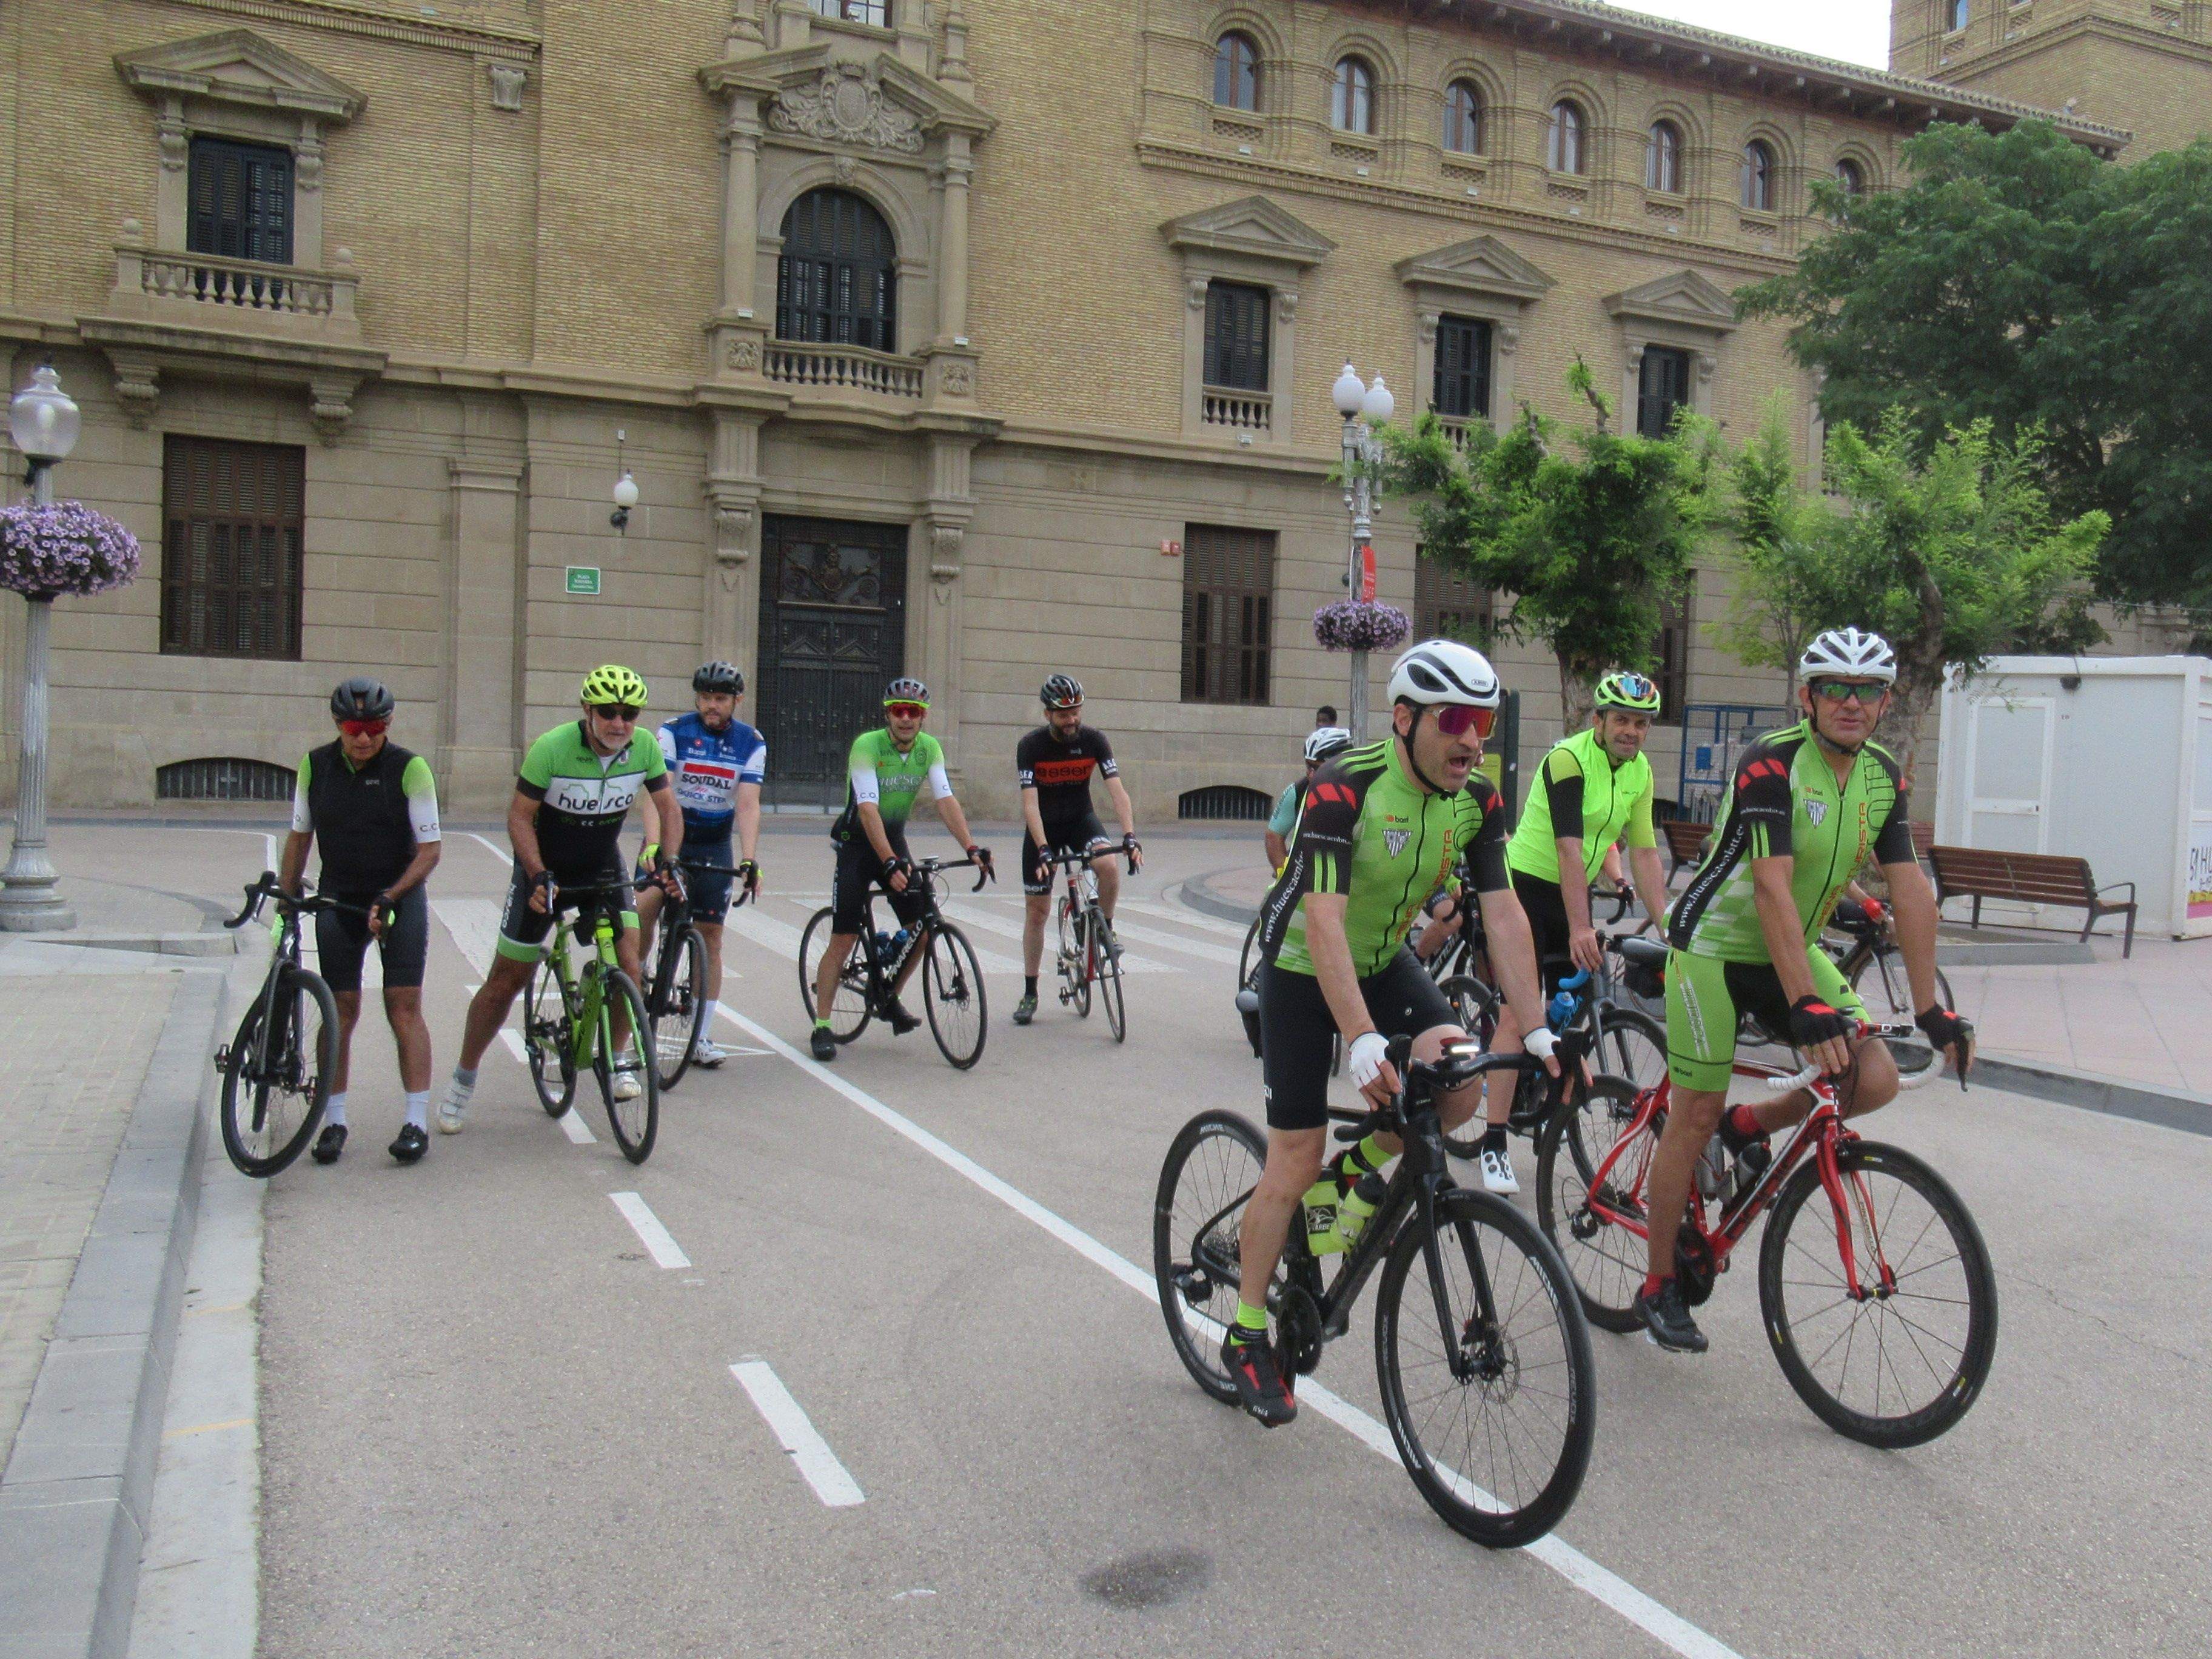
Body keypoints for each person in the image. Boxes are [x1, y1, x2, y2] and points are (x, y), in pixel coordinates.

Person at [1224, 640, 1558, 1426]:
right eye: (1455, 721)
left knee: (1462, 1083)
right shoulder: (1346, 788)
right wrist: (1365, 1038)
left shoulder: (1477, 798)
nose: (1473, 740)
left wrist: (1538, 1032)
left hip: (1381, 958)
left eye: (1483, 722)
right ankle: (1244, 1334)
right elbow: (1323, 916)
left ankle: (1347, 1188)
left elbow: (1504, 912)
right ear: (1404, 719)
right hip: (1305, 964)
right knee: (1296, 1154)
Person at [1644, 628, 1975, 1353]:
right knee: (1695, 1111)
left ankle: (1751, 1128)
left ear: (1885, 701)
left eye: (1867, 691)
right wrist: (1804, 1000)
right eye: (1835, 688)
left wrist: (1932, 1010)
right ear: (1808, 697)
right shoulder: (1770, 764)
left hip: (1791, 942)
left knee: (1874, 1075)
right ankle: (1659, 1280)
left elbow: (1912, 890)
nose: (1851, 703)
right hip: (1716, 950)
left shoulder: (1885, 775)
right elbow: (1769, 887)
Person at [436, 666, 685, 1133]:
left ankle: (618, 1058)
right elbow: (518, 818)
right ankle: (462, 1080)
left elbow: (669, 807)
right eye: (608, 713)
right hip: (544, 865)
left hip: (600, 863)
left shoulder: (645, 747)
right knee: (506, 981)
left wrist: (669, 860)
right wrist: (536, 876)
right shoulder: (552, 748)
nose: (619, 723)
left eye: (629, 714)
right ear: (587, 712)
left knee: (630, 962)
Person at [280, 677, 442, 1165]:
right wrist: (286, 900)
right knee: (339, 1010)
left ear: (387, 726)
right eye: (354, 728)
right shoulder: (316, 765)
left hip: (399, 894)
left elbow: (431, 851)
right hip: (340, 896)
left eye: (374, 728)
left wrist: (392, 896)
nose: (364, 738)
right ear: (338, 726)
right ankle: (333, 1123)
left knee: (404, 1007)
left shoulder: (410, 768)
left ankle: (415, 1122)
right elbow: (299, 838)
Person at [809, 678, 992, 1062]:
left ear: (923, 717)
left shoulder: (929, 748)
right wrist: (889, 861)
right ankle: (822, 1026)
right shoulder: (867, 746)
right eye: (899, 711)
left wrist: (972, 848)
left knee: (924, 928)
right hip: (857, 844)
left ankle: (888, 995)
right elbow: (868, 808)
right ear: (888, 714)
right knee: (843, 937)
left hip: (893, 840)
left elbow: (945, 800)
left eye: (915, 712)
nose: (906, 719)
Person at [1504, 670, 1674, 988]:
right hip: (1526, 886)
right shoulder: (1568, 759)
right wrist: (1580, 928)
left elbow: (1645, 851)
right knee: (1520, 1017)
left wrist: (1665, 928)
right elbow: (1569, 848)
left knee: (1575, 1007)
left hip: (1574, 891)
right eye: (1621, 720)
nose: (1631, 732)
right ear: (1599, 720)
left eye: (1641, 724)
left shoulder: (1641, 770)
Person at [634, 661, 764, 1070]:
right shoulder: (674, 732)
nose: (712, 705)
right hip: (672, 834)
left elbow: (747, 803)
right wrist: (655, 846)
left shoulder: (751, 742)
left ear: (736, 701)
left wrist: (748, 858)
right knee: (642, 916)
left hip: (712, 843)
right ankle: (630, 989)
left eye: (721, 699)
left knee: (710, 935)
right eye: (706, 697)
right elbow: (659, 793)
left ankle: (702, 1034)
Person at [1013, 675, 1142, 1026]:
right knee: (1037, 912)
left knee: (1110, 868)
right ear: (1048, 714)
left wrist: (1130, 835)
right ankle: (1030, 991)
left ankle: (1106, 929)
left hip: (1081, 819)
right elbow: (1030, 804)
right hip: (1045, 829)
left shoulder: (1095, 740)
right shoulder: (1031, 746)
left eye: (1075, 711)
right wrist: (1041, 848)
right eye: (1062, 714)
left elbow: (1117, 791)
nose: (1071, 720)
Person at [1264, 726, 1353, 871]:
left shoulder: (1365, 791)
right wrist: (1285, 875)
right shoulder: (1297, 792)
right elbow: (1273, 836)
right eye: (1308, 766)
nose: (1310, 775)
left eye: (1317, 768)